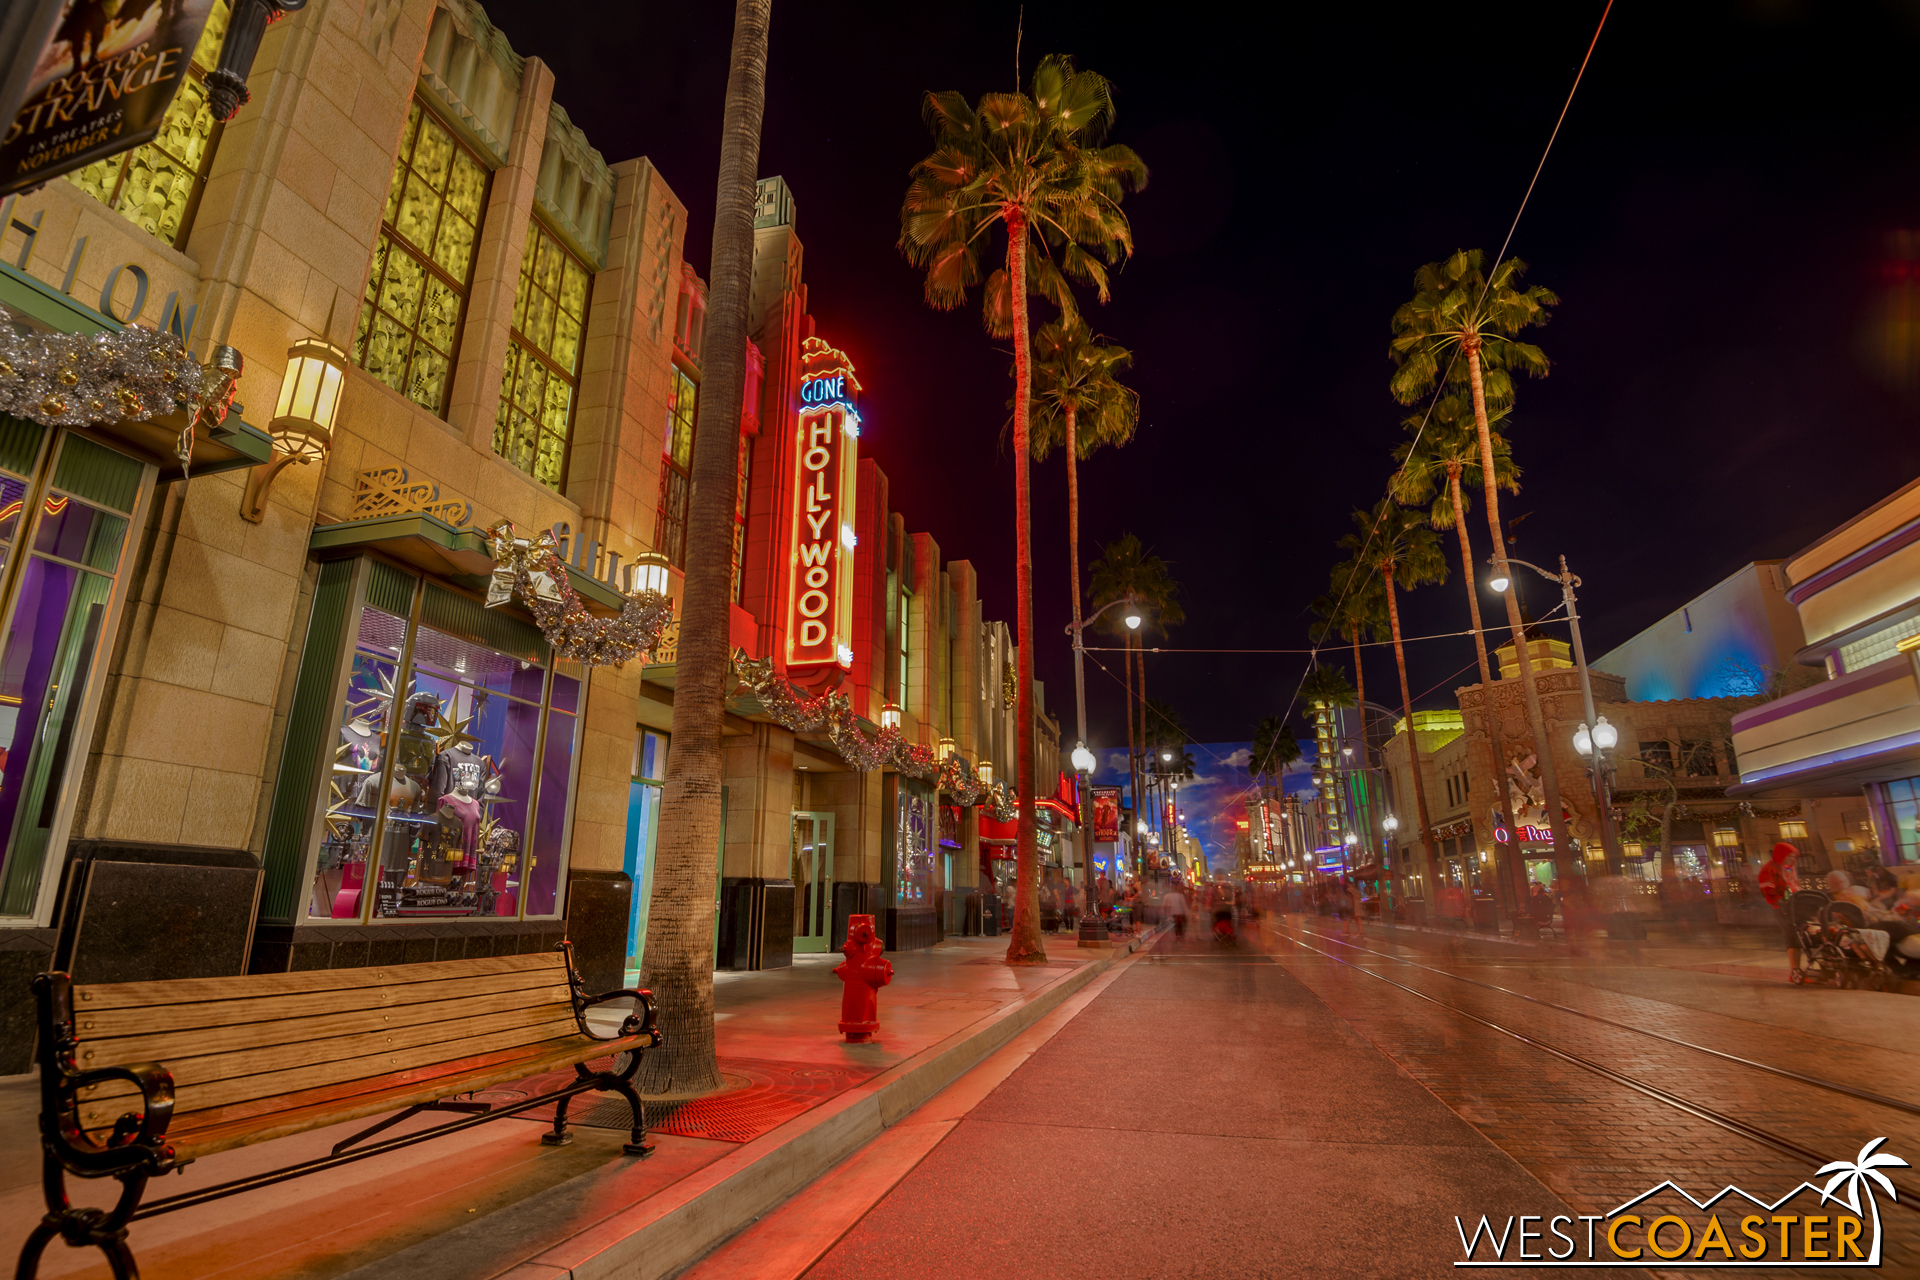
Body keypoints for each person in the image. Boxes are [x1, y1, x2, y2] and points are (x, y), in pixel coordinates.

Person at [1757, 842, 1802, 978]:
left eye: (1793, 857)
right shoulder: (1769, 869)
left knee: (1802, 938)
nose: (1791, 860)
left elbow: (1793, 883)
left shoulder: (1788, 868)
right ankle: (1795, 970)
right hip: (1782, 907)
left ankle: (1798, 969)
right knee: (1792, 938)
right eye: (1789, 856)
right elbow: (1767, 889)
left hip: (1795, 905)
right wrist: (1778, 900)